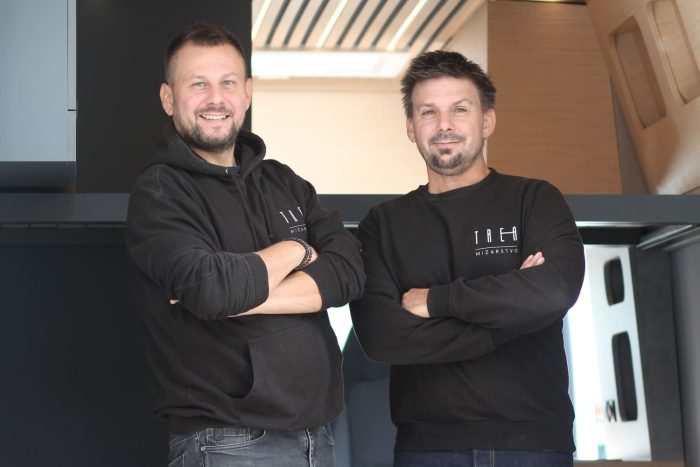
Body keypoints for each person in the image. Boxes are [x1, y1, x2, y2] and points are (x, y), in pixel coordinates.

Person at [125, 22, 364, 467]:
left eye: (228, 83)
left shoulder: (283, 181)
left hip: (318, 436)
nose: (215, 98)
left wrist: (238, 297)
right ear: (168, 98)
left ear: (247, 93)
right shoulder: (161, 191)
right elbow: (210, 289)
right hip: (227, 441)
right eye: (198, 84)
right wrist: (297, 251)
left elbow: (349, 271)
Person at [349, 50, 585, 466]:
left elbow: (553, 292)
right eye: (428, 112)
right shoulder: (382, 224)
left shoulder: (534, 200)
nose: (444, 125)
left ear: (487, 121)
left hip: (533, 443)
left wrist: (436, 301)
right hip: (427, 448)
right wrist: (512, 321)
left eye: (460, 109)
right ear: (411, 127)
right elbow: (382, 336)